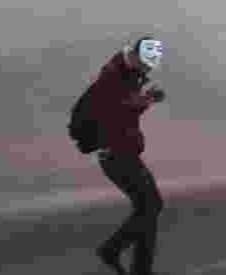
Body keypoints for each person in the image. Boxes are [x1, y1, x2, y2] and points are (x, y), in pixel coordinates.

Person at [89, 38, 166, 275]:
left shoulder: (123, 74)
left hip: (120, 153)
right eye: (146, 63)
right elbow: (119, 108)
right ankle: (111, 249)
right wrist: (148, 99)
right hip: (117, 155)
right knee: (151, 205)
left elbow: (126, 110)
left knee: (148, 206)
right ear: (134, 56)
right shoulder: (116, 76)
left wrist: (146, 99)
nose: (149, 69)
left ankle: (141, 270)